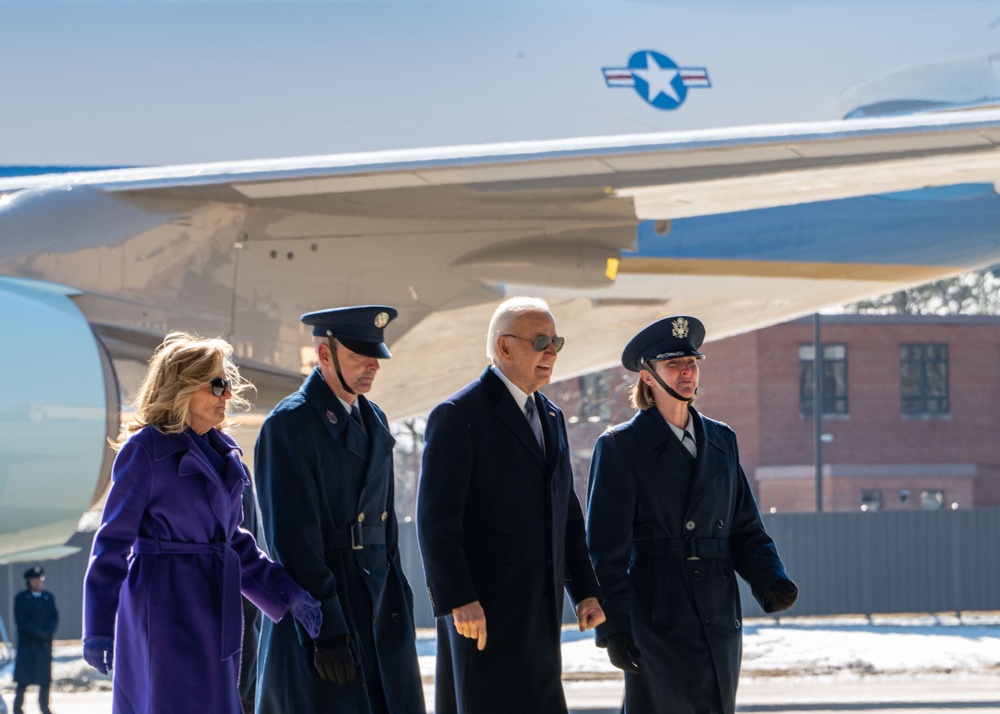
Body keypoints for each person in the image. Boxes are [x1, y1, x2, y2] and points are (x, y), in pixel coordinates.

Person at [81, 331, 322, 714]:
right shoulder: (144, 452)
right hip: (161, 610)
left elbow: (236, 543)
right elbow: (111, 545)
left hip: (214, 608)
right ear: (184, 387)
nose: (228, 396)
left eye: (230, 385)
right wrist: (97, 628)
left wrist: (290, 596)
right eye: (219, 385)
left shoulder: (226, 456)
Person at [586, 315, 799, 714]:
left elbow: (744, 528)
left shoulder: (722, 439)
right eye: (673, 364)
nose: (687, 372)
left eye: (692, 363)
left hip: (718, 613)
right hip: (658, 615)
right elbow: (604, 553)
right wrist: (613, 629)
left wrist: (770, 578)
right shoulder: (620, 447)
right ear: (647, 377)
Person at [416, 296, 606, 714]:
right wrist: (459, 598)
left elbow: (567, 517)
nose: (551, 352)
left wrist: (586, 592)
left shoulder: (552, 417)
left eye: (556, 341)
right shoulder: (458, 415)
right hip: (482, 617)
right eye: (541, 341)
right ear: (504, 347)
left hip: (540, 617)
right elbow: (436, 523)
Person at [253, 306, 424, 714]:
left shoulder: (375, 418)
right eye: (359, 355)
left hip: (378, 604)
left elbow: (385, 527)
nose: (372, 366)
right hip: (328, 607)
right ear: (324, 355)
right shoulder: (289, 425)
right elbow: (292, 541)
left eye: (376, 356)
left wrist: (399, 591)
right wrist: (324, 627)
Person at [12, 566, 57, 714]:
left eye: (40, 580)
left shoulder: (48, 598)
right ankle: (17, 709)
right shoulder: (22, 598)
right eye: (34, 580)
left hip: (43, 646)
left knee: (44, 681)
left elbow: (54, 617)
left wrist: (47, 633)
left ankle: (45, 708)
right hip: (28, 646)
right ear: (29, 582)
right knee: (22, 680)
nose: (38, 583)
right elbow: (22, 620)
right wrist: (38, 633)